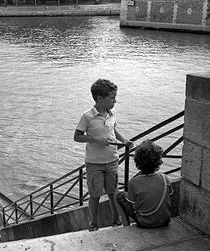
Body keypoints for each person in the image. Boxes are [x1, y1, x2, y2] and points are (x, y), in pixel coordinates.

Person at [74, 78, 132, 232]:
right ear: (100, 99)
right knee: (95, 194)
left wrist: (124, 140)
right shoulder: (87, 116)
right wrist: (95, 139)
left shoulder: (112, 112)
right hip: (94, 163)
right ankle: (93, 224)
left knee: (113, 193)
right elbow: (77, 136)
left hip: (112, 160)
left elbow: (113, 130)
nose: (115, 101)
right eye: (112, 98)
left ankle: (116, 221)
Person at [116, 140, 172, 228]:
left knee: (120, 195)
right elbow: (169, 196)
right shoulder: (164, 178)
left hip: (145, 223)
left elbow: (134, 207)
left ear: (137, 163)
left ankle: (126, 224)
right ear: (158, 162)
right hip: (165, 221)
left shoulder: (133, 182)